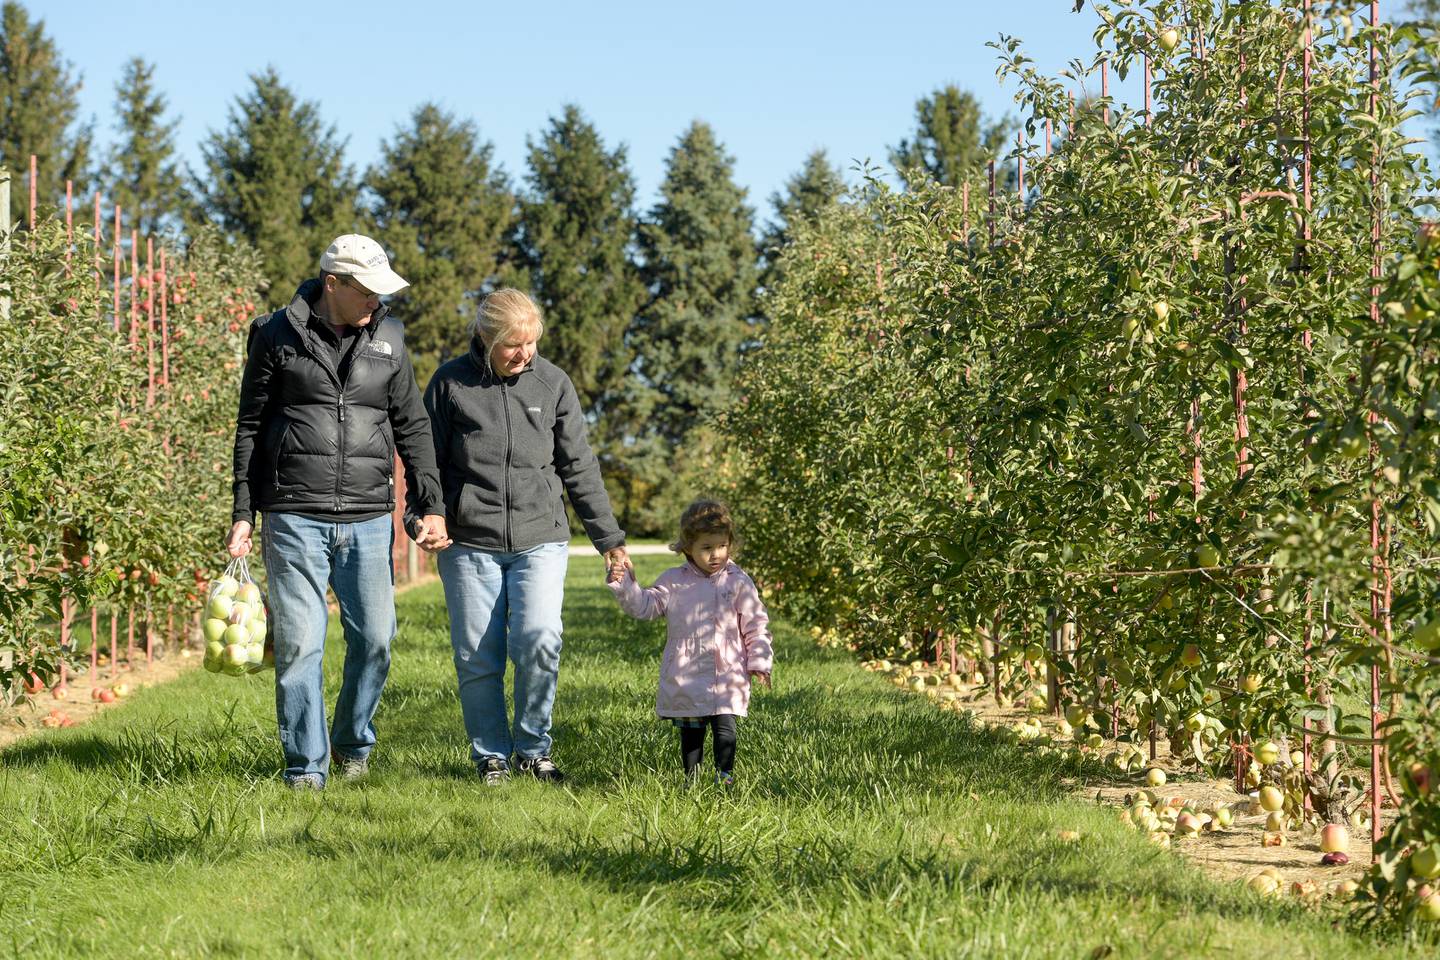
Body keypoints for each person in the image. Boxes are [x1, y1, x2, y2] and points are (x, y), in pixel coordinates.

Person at [227, 234, 451, 791]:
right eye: (368, 289)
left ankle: (353, 742)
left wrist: (429, 504)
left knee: (375, 639)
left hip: (368, 515)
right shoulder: (274, 334)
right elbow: (249, 427)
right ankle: (306, 766)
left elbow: (413, 427)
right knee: (301, 643)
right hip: (293, 513)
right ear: (333, 283)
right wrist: (243, 512)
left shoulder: (391, 338)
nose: (377, 300)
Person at [424, 288, 628, 785]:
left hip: (541, 537)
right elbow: (425, 461)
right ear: (485, 338)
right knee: (478, 656)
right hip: (469, 542)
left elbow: (578, 465)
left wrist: (609, 539)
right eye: (514, 345)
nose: (525, 354)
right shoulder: (451, 383)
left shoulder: (552, 383)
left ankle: (534, 749)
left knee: (540, 639)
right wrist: (425, 515)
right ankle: (490, 756)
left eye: (532, 343)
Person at [607, 499, 772, 785]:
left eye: (722, 546)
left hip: (729, 669)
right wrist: (625, 585)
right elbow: (645, 606)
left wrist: (759, 660)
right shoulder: (674, 581)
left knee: (726, 726)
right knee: (692, 731)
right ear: (688, 548)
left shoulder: (738, 581)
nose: (715, 554)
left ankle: (725, 776)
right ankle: (691, 779)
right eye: (706, 548)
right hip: (687, 670)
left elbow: (756, 623)